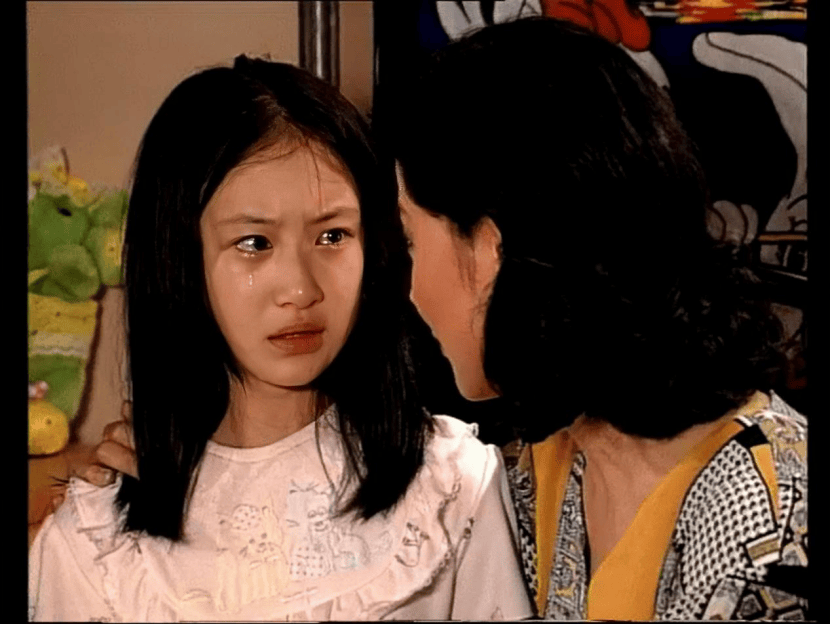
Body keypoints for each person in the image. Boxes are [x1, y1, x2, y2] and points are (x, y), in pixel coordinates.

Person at [27, 56, 533, 622]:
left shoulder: (451, 487)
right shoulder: (93, 543)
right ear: (179, 258)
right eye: (254, 243)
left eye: (333, 235)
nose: (300, 289)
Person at [378, 16, 808, 621]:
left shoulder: (767, 525)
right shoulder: (541, 461)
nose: (410, 289)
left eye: (411, 239)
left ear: (491, 248)